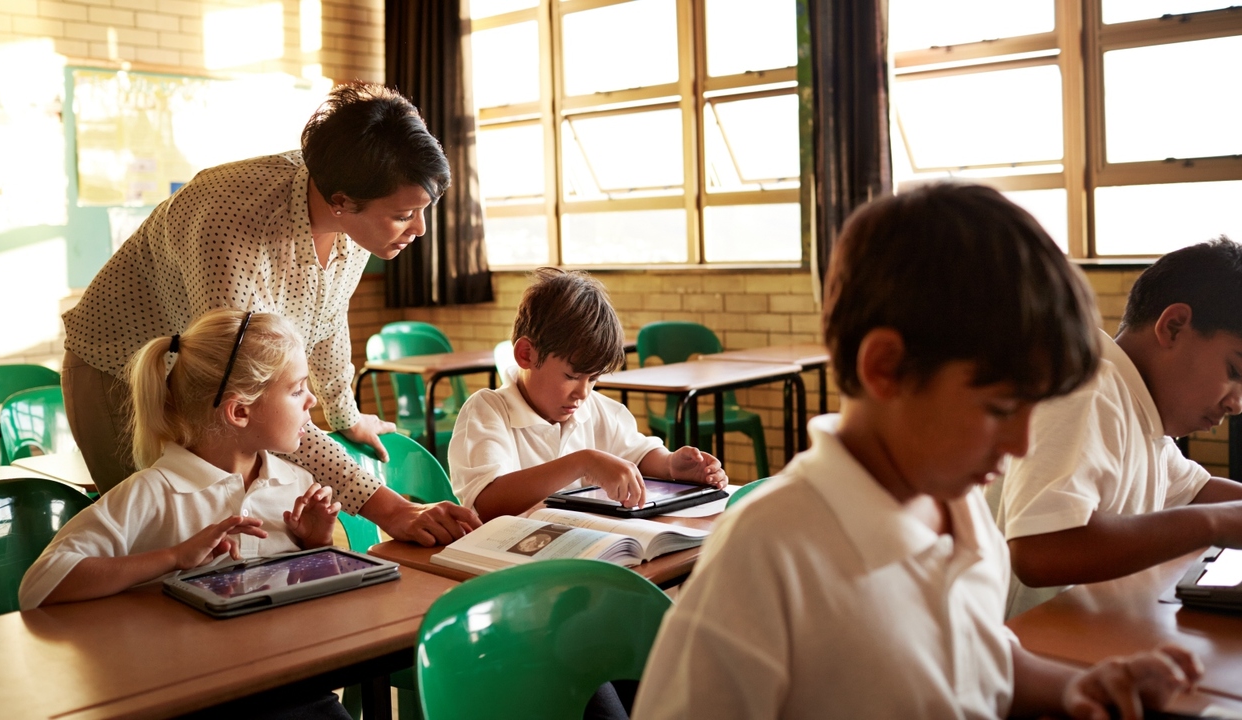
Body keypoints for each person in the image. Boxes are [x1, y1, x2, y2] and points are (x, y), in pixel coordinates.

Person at [632, 184, 1202, 720]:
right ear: (886, 369)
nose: (1022, 444)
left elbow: (979, 655)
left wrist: (1075, 685)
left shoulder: (960, 504)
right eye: (1002, 408)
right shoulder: (770, 551)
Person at [60, 81, 478, 546]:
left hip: (221, 390)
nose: (419, 229)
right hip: (120, 369)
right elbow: (256, 391)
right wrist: (391, 508)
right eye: (404, 215)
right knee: (157, 545)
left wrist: (344, 413)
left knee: (230, 550)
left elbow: (327, 316)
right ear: (341, 202)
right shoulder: (231, 224)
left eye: (424, 210)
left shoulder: (355, 211)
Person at [20, 309, 339, 610]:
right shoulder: (151, 493)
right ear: (240, 411)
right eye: (297, 390)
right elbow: (39, 586)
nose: (312, 399)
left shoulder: (297, 484)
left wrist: (316, 546)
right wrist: (173, 557)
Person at [997, 238, 1242, 617]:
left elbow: (1198, 492)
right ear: (1174, 327)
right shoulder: (1087, 386)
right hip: (1023, 650)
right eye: (1234, 372)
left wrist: (1221, 515)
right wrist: (1214, 524)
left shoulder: (1143, 413)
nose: (1236, 403)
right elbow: (1038, 552)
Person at [448, 267, 728, 521]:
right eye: (571, 376)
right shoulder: (487, 411)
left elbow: (636, 453)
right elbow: (489, 502)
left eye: (593, 378)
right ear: (526, 355)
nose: (582, 393)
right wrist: (582, 462)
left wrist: (670, 467)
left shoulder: (595, 409)